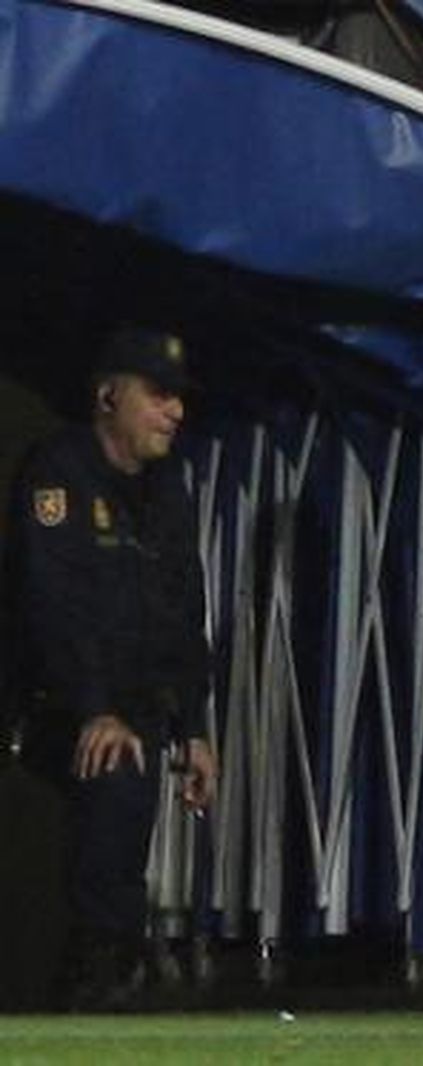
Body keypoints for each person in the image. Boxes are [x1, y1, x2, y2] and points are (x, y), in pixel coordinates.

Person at [5, 325, 218, 1010]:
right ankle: (102, 967)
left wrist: (196, 725)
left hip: (135, 706)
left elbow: (186, 613)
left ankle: (109, 963)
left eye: (179, 398)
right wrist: (93, 706)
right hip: (53, 704)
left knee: (132, 771)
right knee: (115, 770)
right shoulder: (58, 474)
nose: (175, 412)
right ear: (108, 396)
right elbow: (53, 604)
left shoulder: (168, 489)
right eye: (158, 395)